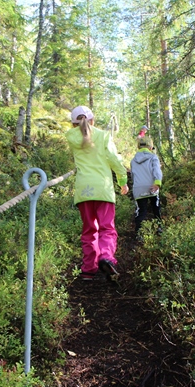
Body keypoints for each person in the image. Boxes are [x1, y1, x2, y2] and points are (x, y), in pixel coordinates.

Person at [66, 105, 129, 281]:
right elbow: (114, 159)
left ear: (72, 124)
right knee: (106, 228)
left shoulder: (71, 137)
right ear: (92, 120)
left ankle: (88, 270)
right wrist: (122, 180)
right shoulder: (102, 136)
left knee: (88, 230)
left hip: (83, 190)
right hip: (103, 189)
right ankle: (106, 257)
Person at [130, 135, 163, 238]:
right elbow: (156, 170)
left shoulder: (133, 160)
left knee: (141, 210)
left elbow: (132, 175)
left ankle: (139, 232)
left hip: (139, 188)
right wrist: (157, 182)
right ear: (150, 147)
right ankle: (159, 228)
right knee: (156, 208)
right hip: (152, 186)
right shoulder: (153, 157)